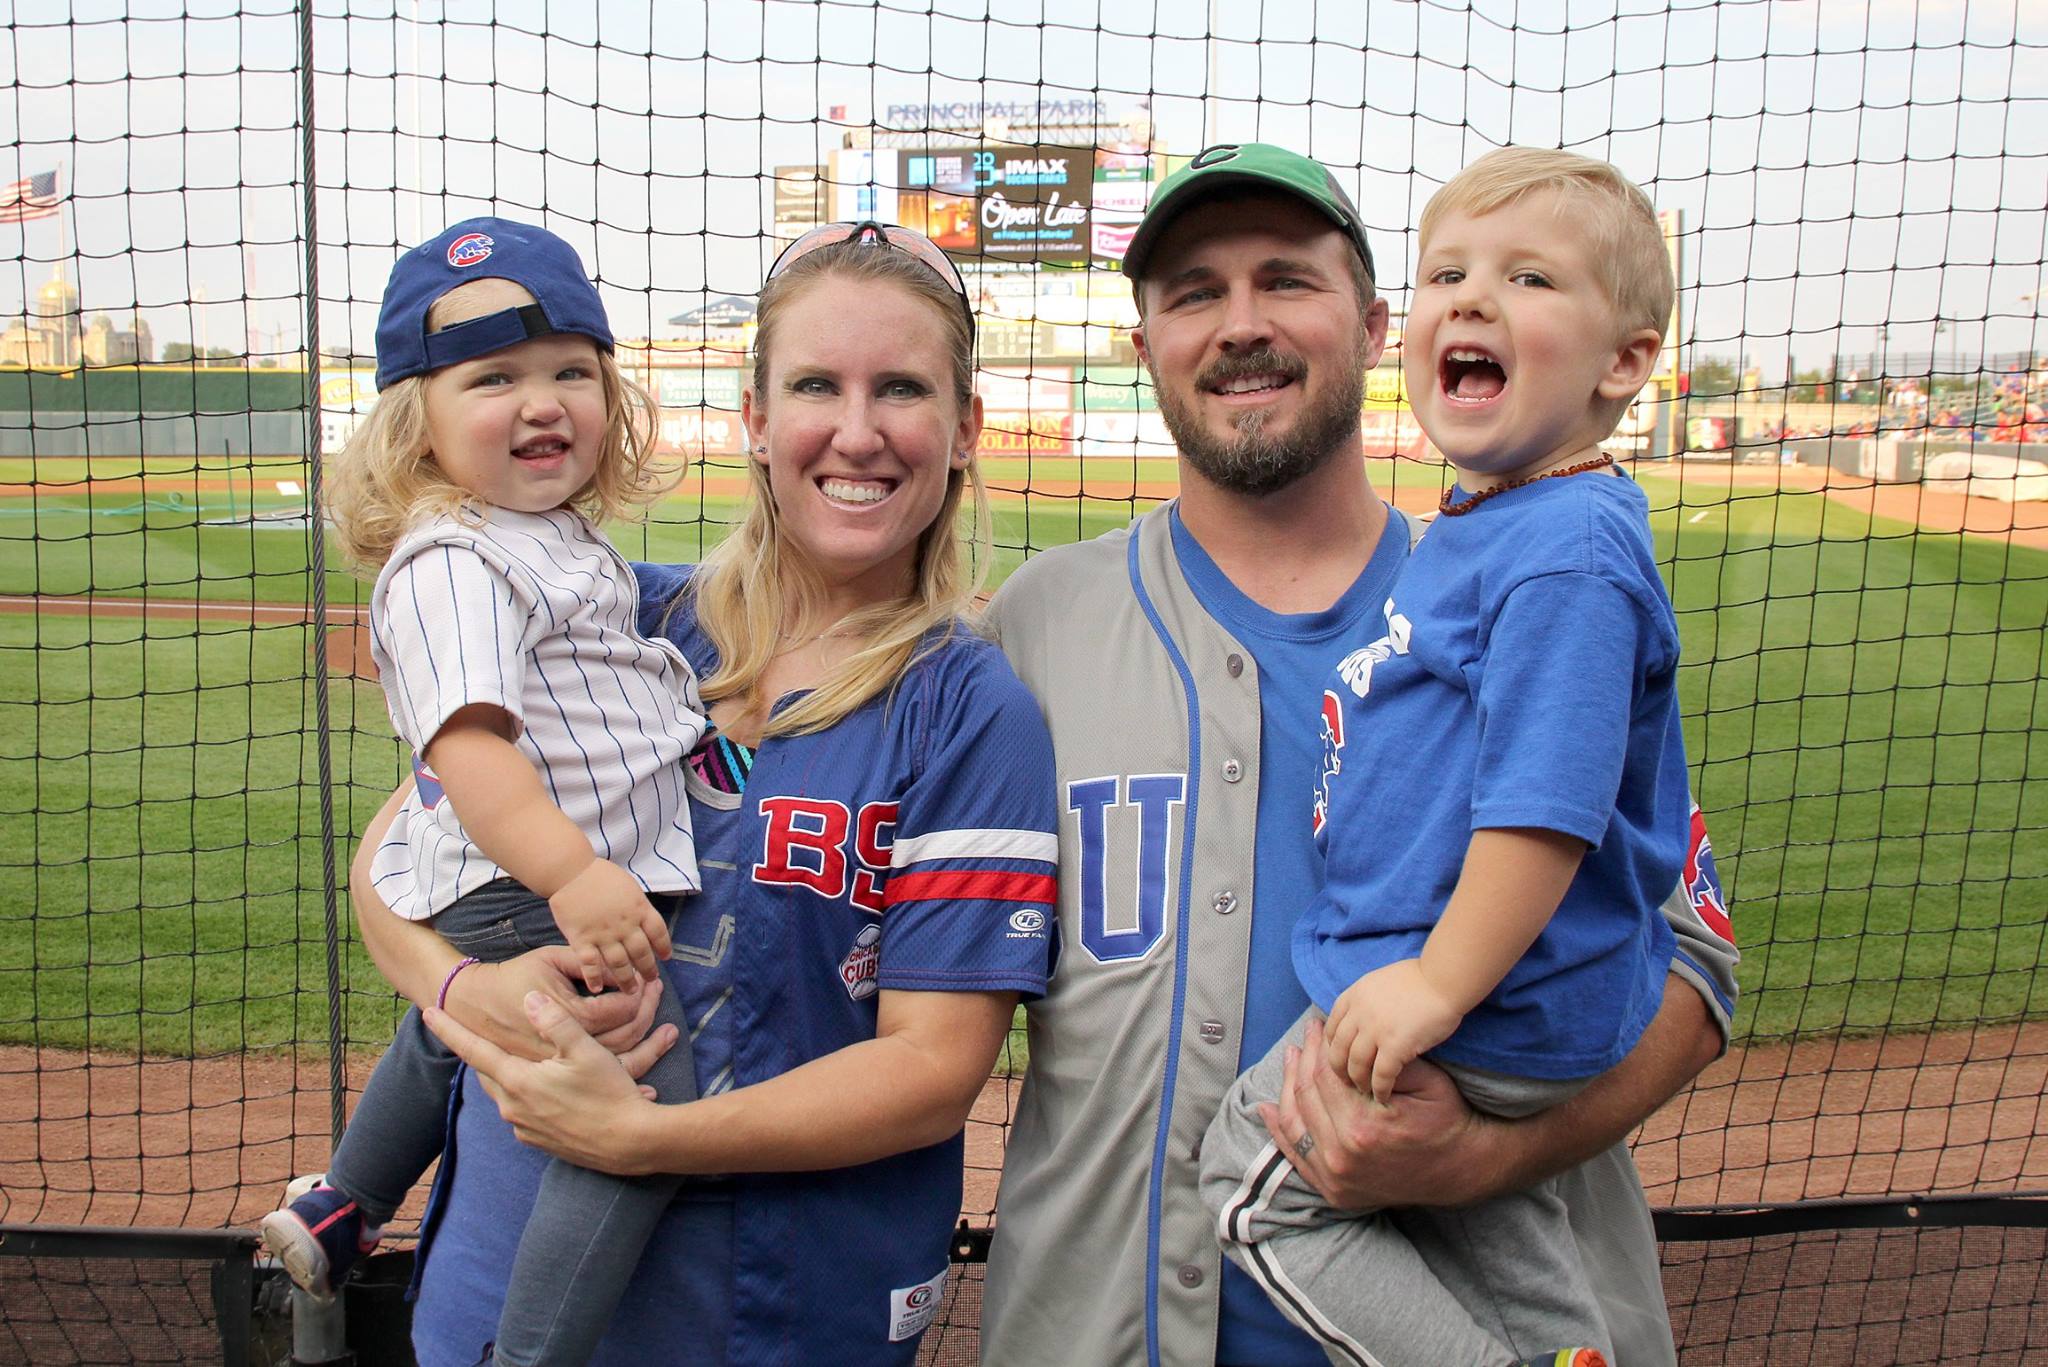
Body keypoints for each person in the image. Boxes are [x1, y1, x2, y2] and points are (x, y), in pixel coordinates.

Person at [979, 143, 1739, 1367]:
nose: (1239, 324)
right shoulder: (1032, 625)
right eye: (1190, 292)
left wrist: (1484, 1157)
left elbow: (1693, 962)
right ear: (1144, 347)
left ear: (1377, 325)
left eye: (1286, 279)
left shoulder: (1529, 585)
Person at [357, 221, 1059, 1367]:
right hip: (497, 1273)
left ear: (965, 428)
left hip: (772, 1311)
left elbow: (930, 1072)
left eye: (901, 389)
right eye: (815, 385)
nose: (857, 430)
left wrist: (645, 1136)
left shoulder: (970, 711)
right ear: (754, 418)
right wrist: (459, 986)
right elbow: (393, 862)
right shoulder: (614, 616)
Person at [1196, 146, 1698, 1367]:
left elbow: (1545, 808)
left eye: (1526, 277)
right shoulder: (1491, 527)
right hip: (1486, 1005)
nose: (1470, 299)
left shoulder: (1564, 551)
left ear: (1623, 362)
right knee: (1496, 1227)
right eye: (1449, 272)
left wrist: (1438, 984)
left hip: (1468, 1001)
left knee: (1251, 1184)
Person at [261, 216, 711, 1367]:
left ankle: (344, 1200)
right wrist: (576, 874)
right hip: (533, 882)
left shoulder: (552, 540)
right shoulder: (455, 554)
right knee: (642, 1103)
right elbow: (468, 752)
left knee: (448, 1026)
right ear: (418, 421)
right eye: (493, 377)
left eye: (571, 369)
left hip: (510, 887)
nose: (542, 399)